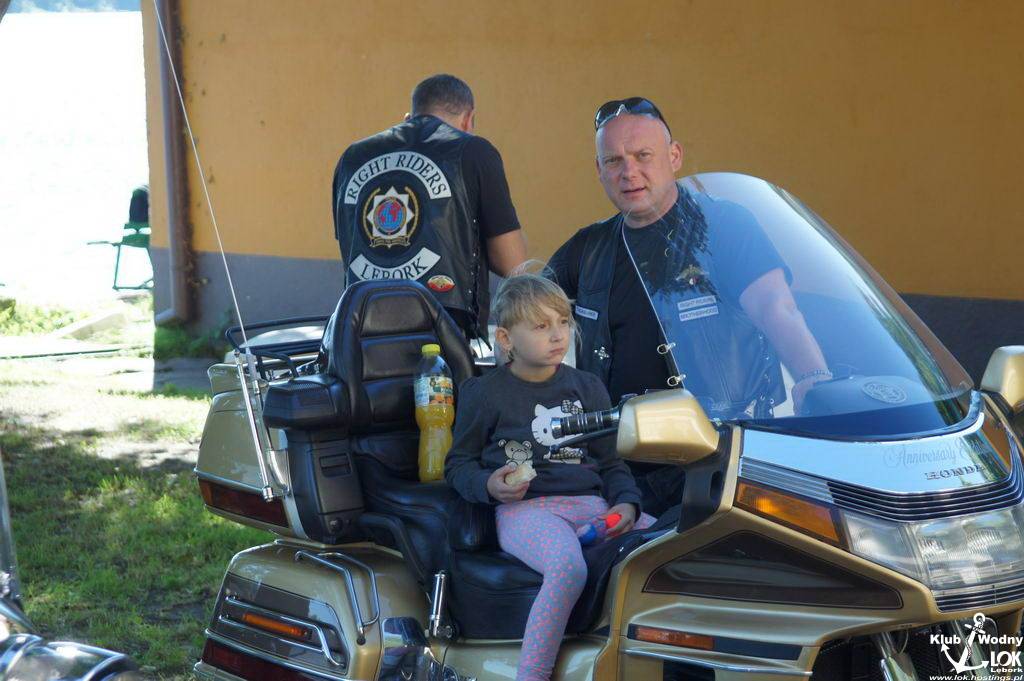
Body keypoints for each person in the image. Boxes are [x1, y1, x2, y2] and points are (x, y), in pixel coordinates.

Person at [549, 97, 830, 415]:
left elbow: (774, 305)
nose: (629, 172)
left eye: (643, 156)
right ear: (599, 169)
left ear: (674, 156)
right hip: (619, 439)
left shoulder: (724, 224)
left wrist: (813, 378)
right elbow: (525, 308)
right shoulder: (588, 249)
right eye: (613, 161)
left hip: (723, 433)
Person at [444, 273, 655, 681]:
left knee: (670, 546)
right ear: (506, 338)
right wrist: (489, 485)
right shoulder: (483, 393)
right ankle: (533, 675)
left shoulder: (588, 387)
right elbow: (458, 465)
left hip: (593, 508)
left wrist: (627, 504)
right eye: (541, 326)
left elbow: (612, 463)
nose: (558, 335)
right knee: (567, 567)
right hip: (528, 512)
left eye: (563, 322)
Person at [332, 74, 527, 339]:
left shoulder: (351, 157)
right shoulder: (474, 150)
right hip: (443, 331)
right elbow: (513, 264)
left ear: (408, 118)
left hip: (360, 327)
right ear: (468, 119)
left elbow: (349, 244)